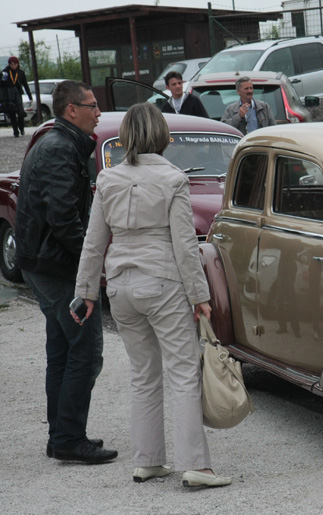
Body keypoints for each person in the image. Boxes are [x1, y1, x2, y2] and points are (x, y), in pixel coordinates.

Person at [72, 102, 231, 488]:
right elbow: (184, 244)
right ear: (162, 135)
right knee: (182, 373)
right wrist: (200, 295)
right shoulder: (174, 178)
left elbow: (93, 243)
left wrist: (85, 293)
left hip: (122, 287)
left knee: (143, 375)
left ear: (126, 136)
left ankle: (148, 460)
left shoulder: (108, 180)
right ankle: (196, 465)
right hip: (163, 283)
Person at [15, 80, 117, 463]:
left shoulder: (58, 143)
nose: (98, 112)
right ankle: (69, 439)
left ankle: (60, 435)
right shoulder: (58, 148)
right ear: (70, 110)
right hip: (57, 268)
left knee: (61, 351)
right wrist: (94, 261)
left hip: (44, 264)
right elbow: (64, 219)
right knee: (85, 353)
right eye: (92, 105)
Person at [2, 56, 33, 137]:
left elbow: (25, 84)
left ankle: (22, 129)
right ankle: (15, 131)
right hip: (9, 95)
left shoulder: (21, 73)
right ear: (9, 64)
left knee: (20, 112)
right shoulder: (5, 72)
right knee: (12, 113)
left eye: (15, 64)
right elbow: (1, 85)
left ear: (17, 64)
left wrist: (30, 96)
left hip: (18, 94)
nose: (13, 66)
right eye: (12, 64)